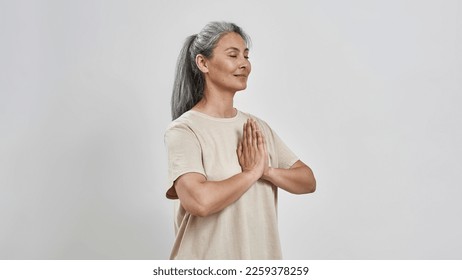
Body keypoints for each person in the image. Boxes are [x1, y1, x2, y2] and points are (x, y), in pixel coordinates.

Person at [164, 21, 316, 260]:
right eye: (233, 55)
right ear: (203, 63)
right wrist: (249, 175)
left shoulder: (256, 128)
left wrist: (265, 171)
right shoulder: (185, 130)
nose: (244, 63)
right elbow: (199, 201)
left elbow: (307, 180)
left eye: (246, 55)